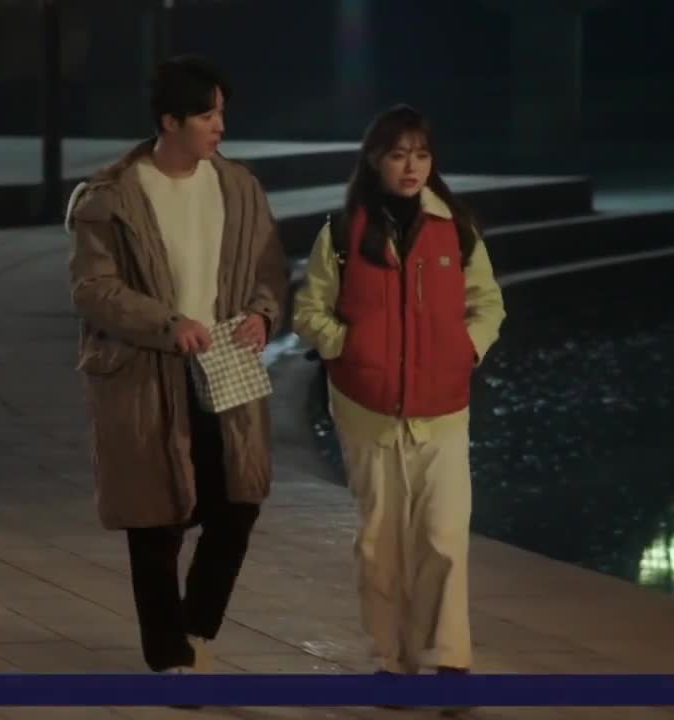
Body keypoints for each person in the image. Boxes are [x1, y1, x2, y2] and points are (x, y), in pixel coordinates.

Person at [64, 55, 288, 676]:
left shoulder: (238, 186)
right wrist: (167, 324)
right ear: (170, 121)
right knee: (156, 518)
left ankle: (194, 630)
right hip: (145, 371)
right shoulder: (112, 195)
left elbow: (269, 268)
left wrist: (263, 313)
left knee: (238, 501)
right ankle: (168, 659)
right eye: (207, 115)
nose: (220, 126)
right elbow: (93, 288)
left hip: (226, 363)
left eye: (222, 113)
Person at [292, 104, 506, 682]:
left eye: (421, 155)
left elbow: (488, 303)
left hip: (444, 410)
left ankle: (448, 661)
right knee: (381, 546)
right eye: (397, 155)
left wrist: (465, 350)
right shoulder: (342, 233)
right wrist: (348, 346)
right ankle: (391, 662)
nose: (411, 167)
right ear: (374, 160)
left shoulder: (456, 229)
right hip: (368, 411)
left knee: (443, 537)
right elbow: (309, 310)